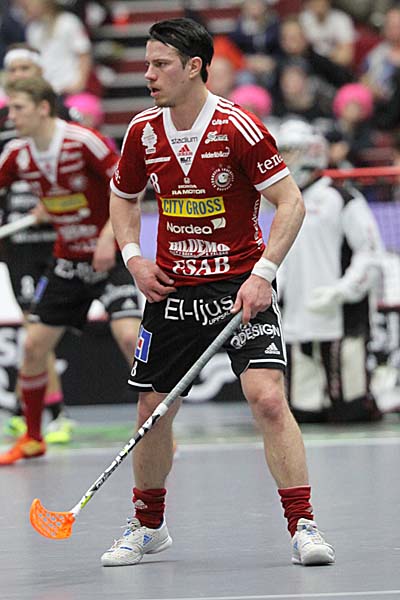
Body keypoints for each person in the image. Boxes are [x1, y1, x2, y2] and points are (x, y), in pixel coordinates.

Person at [101, 17, 335, 568]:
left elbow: (291, 202)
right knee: (153, 409)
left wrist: (264, 274)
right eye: (147, 63)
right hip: (172, 288)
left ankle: (303, 524)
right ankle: (148, 526)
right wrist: (134, 257)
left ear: (194, 67)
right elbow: (123, 197)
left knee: (268, 398)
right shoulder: (142, 130)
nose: (148, 74)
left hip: (239, 286)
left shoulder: (238, 127)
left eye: (160, 64)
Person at [0, 75, 142, 464]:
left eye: (18, 108)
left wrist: (108, 237)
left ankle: (159, 434)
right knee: (33, 346)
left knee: (130, 338)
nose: (11, 117)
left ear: (43, 108)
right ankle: (33, 437)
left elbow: (130, 188)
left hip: (108, 259)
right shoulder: (17, 154)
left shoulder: (84, 141)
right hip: (68, 262)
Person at [0, 42, 82, 443]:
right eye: (12, 70)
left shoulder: (64, 118)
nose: (18, 76)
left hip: (58, 237)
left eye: (25, 68)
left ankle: (45, 410)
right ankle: (39, 411)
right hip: (18, 240)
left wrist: (60, 202)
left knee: (40, 325)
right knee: (34, 324)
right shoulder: (5, 125)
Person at [276, 118, 383, 423]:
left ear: (311, 153)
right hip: (298, 321)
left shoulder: (342, 198)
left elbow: (370, 253)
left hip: (340, 317)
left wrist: (343, 291)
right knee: (302, 414)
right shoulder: (282, 203)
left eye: (290, 152)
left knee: (350, 411)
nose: (283, 160)